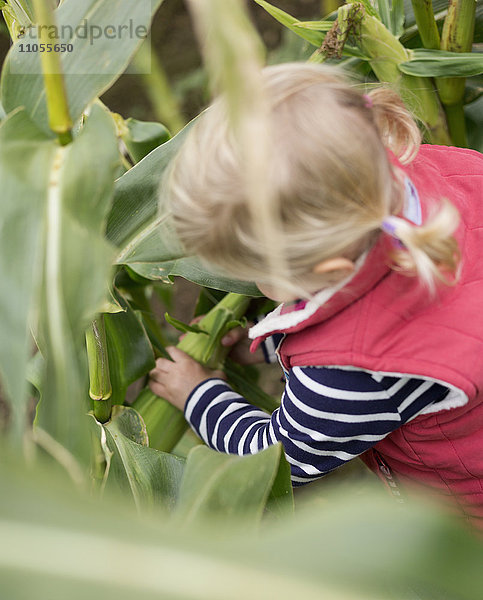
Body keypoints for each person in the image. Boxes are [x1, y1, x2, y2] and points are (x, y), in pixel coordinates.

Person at [149, 63, 483, 528]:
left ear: (332, 269)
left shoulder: (354, 375)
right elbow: (365, 307)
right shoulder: (448, 171)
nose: (257, 290)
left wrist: (197, 394)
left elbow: (279, 460)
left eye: (260, 277)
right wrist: (265, 343)